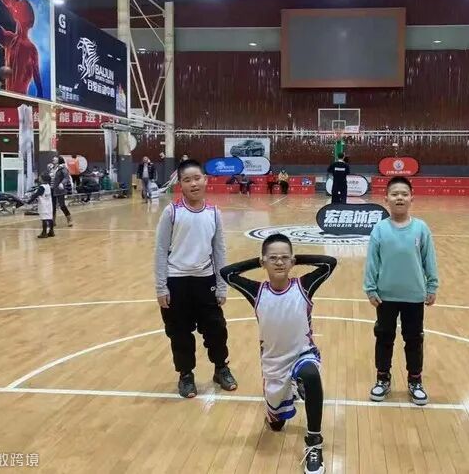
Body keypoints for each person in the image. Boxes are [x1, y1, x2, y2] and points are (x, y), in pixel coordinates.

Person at [220, 235, 336, 474]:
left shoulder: (304, 286)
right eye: (273, 258)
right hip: (274, 363)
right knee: (276, 426)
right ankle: (288, 392)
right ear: (263, 262)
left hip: (302, 353)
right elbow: (226, 273)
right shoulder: (256, 291)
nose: (280, 262)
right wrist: (259, 261)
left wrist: (295, 259)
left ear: (292, 261)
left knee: (311, 375)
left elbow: (329, 263)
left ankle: (314, 443)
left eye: (285, 258)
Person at [154, 159, 237, 399]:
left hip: (205, 280)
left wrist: (222, 286)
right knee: (179, 332)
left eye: (197, 178)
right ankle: (186, 375)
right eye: (187, 180)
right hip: (176, 281)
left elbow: (219, 250)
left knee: (216, 329)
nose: (193, 184)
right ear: (180, 184)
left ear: (206, 180)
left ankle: (221, 368)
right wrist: (161, 287)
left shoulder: (213, 213)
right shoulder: (171, 212)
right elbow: (160, 250)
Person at [364, 176, 439, 406]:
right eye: (395, 194)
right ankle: (382, 379)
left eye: (404, 194)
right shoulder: (379, 229)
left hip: (414, 296)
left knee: (414, 339)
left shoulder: (421, 228)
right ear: (386, 199)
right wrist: (370, 288)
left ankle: (415, 381)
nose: (400, 198)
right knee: (384, 338)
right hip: (385, 296)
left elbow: (429, 259)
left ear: (411, 198)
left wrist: (432, 285)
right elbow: (372, 262)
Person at [27, 173, 54, 238]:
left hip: (43, 205)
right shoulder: (48, 186)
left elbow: (36, 195)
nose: (39, 178)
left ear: (43, 179)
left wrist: (29, 201)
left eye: (40, 177)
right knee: (50, 218)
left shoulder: (42, 187)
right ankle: (51, 231)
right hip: (49, 204)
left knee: (44, 219)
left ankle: (44, 233)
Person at [51, 157, 73, 227]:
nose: (53, 159)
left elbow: (66, 178)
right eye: (53, 159)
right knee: (52, 206)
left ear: (59, 160)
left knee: (62, 205)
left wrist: (62, 183)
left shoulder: (63, 168)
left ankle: (69, 219)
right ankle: (53, 221)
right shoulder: (51, 168)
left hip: (59, 189)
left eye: (55, 159)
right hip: (51, 189)